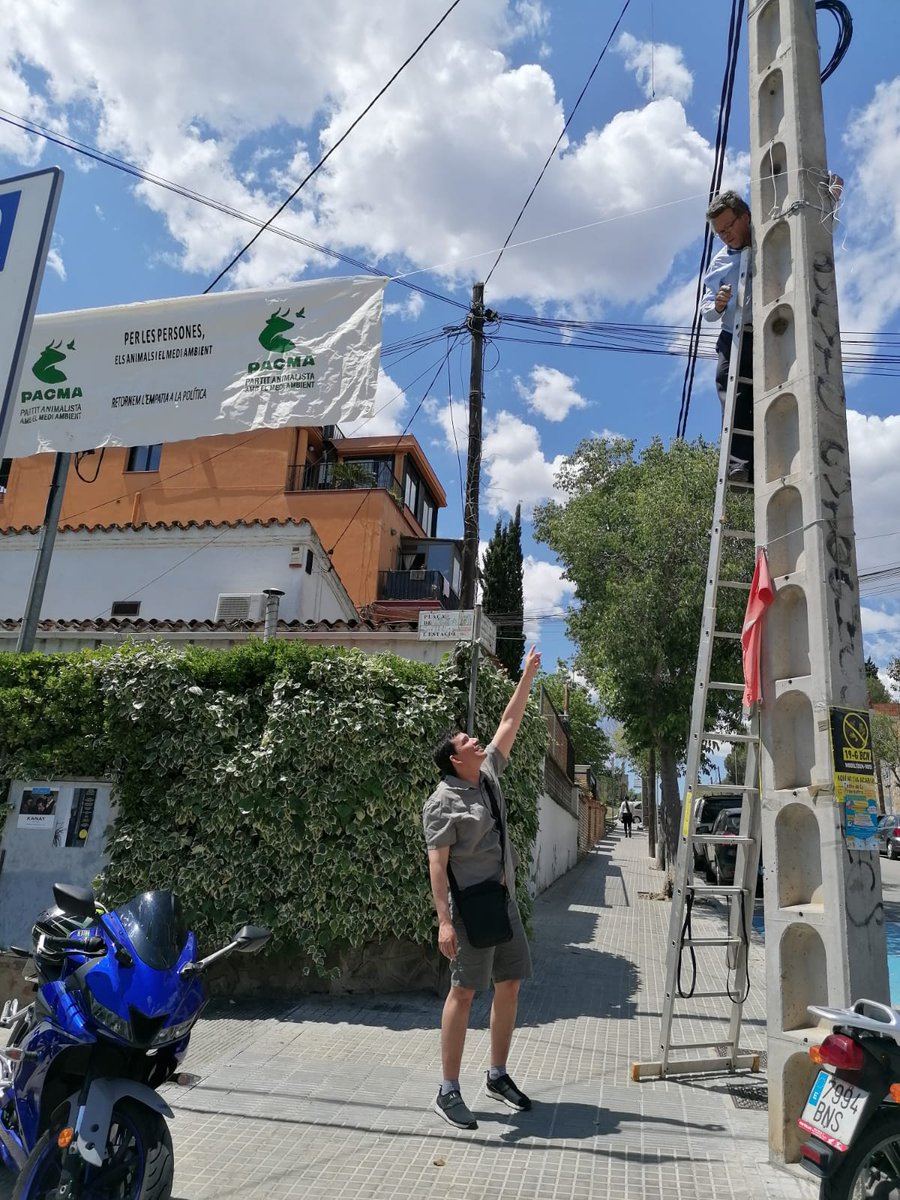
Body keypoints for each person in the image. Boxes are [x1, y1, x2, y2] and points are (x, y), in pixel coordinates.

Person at [423, 645, 542, 1131]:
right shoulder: (442, 801)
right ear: (455, 759)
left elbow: (508, 725)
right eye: (467, 741)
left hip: (503, 903)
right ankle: (447, 1091)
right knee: (465, 993)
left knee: (509, 984)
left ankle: (496, 1075)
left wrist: (527, 677)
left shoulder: (488, 773)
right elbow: (436, 864)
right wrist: (444, 922)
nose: (476, 741)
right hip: (471, 910)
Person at [701, 190, 755, 481]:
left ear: (745, 216)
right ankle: (739, 466)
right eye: (720, 232)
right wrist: (719, 304)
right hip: (733, 334)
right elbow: (707, 309)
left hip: (769, 328)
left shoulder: (772, 236)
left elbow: (813, 237)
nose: (726, 235)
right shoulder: (720, 262)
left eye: (729, 227)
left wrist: (830, 199)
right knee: (732, 393)